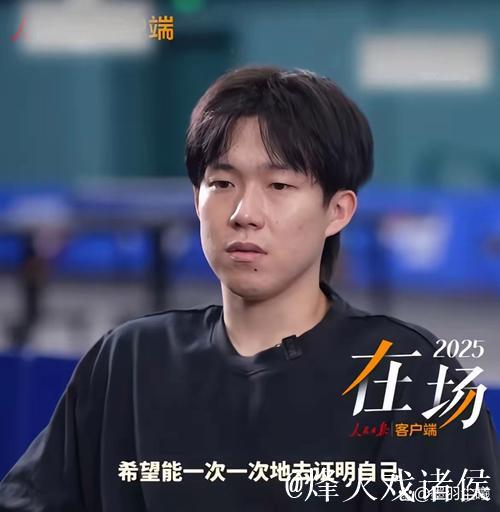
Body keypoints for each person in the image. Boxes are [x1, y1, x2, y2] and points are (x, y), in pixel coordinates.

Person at [0, 65, 499, 511]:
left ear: (337, 211)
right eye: (222, 184)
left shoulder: (413, 377)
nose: (244, 214)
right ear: (196, 200)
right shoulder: (128, 362)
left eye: (279, 186)